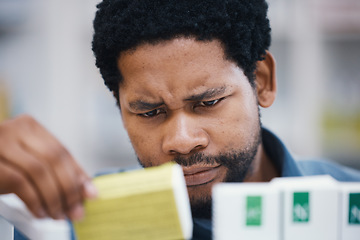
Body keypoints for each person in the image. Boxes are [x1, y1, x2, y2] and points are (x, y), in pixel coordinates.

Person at [1, 0, 360, 239]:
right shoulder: (71, 222)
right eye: (149, 112)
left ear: (262, 81)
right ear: (119, 106)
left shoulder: (351, 208)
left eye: (208, 102)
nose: (182, 140)